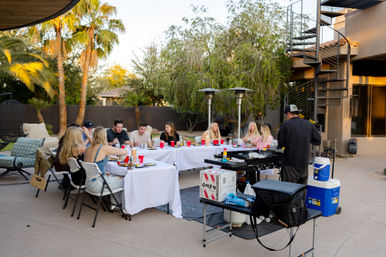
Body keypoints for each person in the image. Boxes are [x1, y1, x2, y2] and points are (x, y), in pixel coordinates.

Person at [84, 127, 128, 210]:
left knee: (113, 176)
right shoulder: (104, 148)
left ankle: (115, 204)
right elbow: (124, 152)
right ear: (104, 136)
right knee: (127, 180)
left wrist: (103, 172)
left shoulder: (88, 148)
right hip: (98, 184)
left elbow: (93, 166)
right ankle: (124, 208)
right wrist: (126, 146)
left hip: (88, 183)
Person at [278, 104, 321, 184]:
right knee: (301, 190)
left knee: (288, 191)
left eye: (285, 115)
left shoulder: (286, 125)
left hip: (290, 165)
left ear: (288, 114)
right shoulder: (308, 124)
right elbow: (318, 140)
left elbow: (280, 144)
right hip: (304, 164)